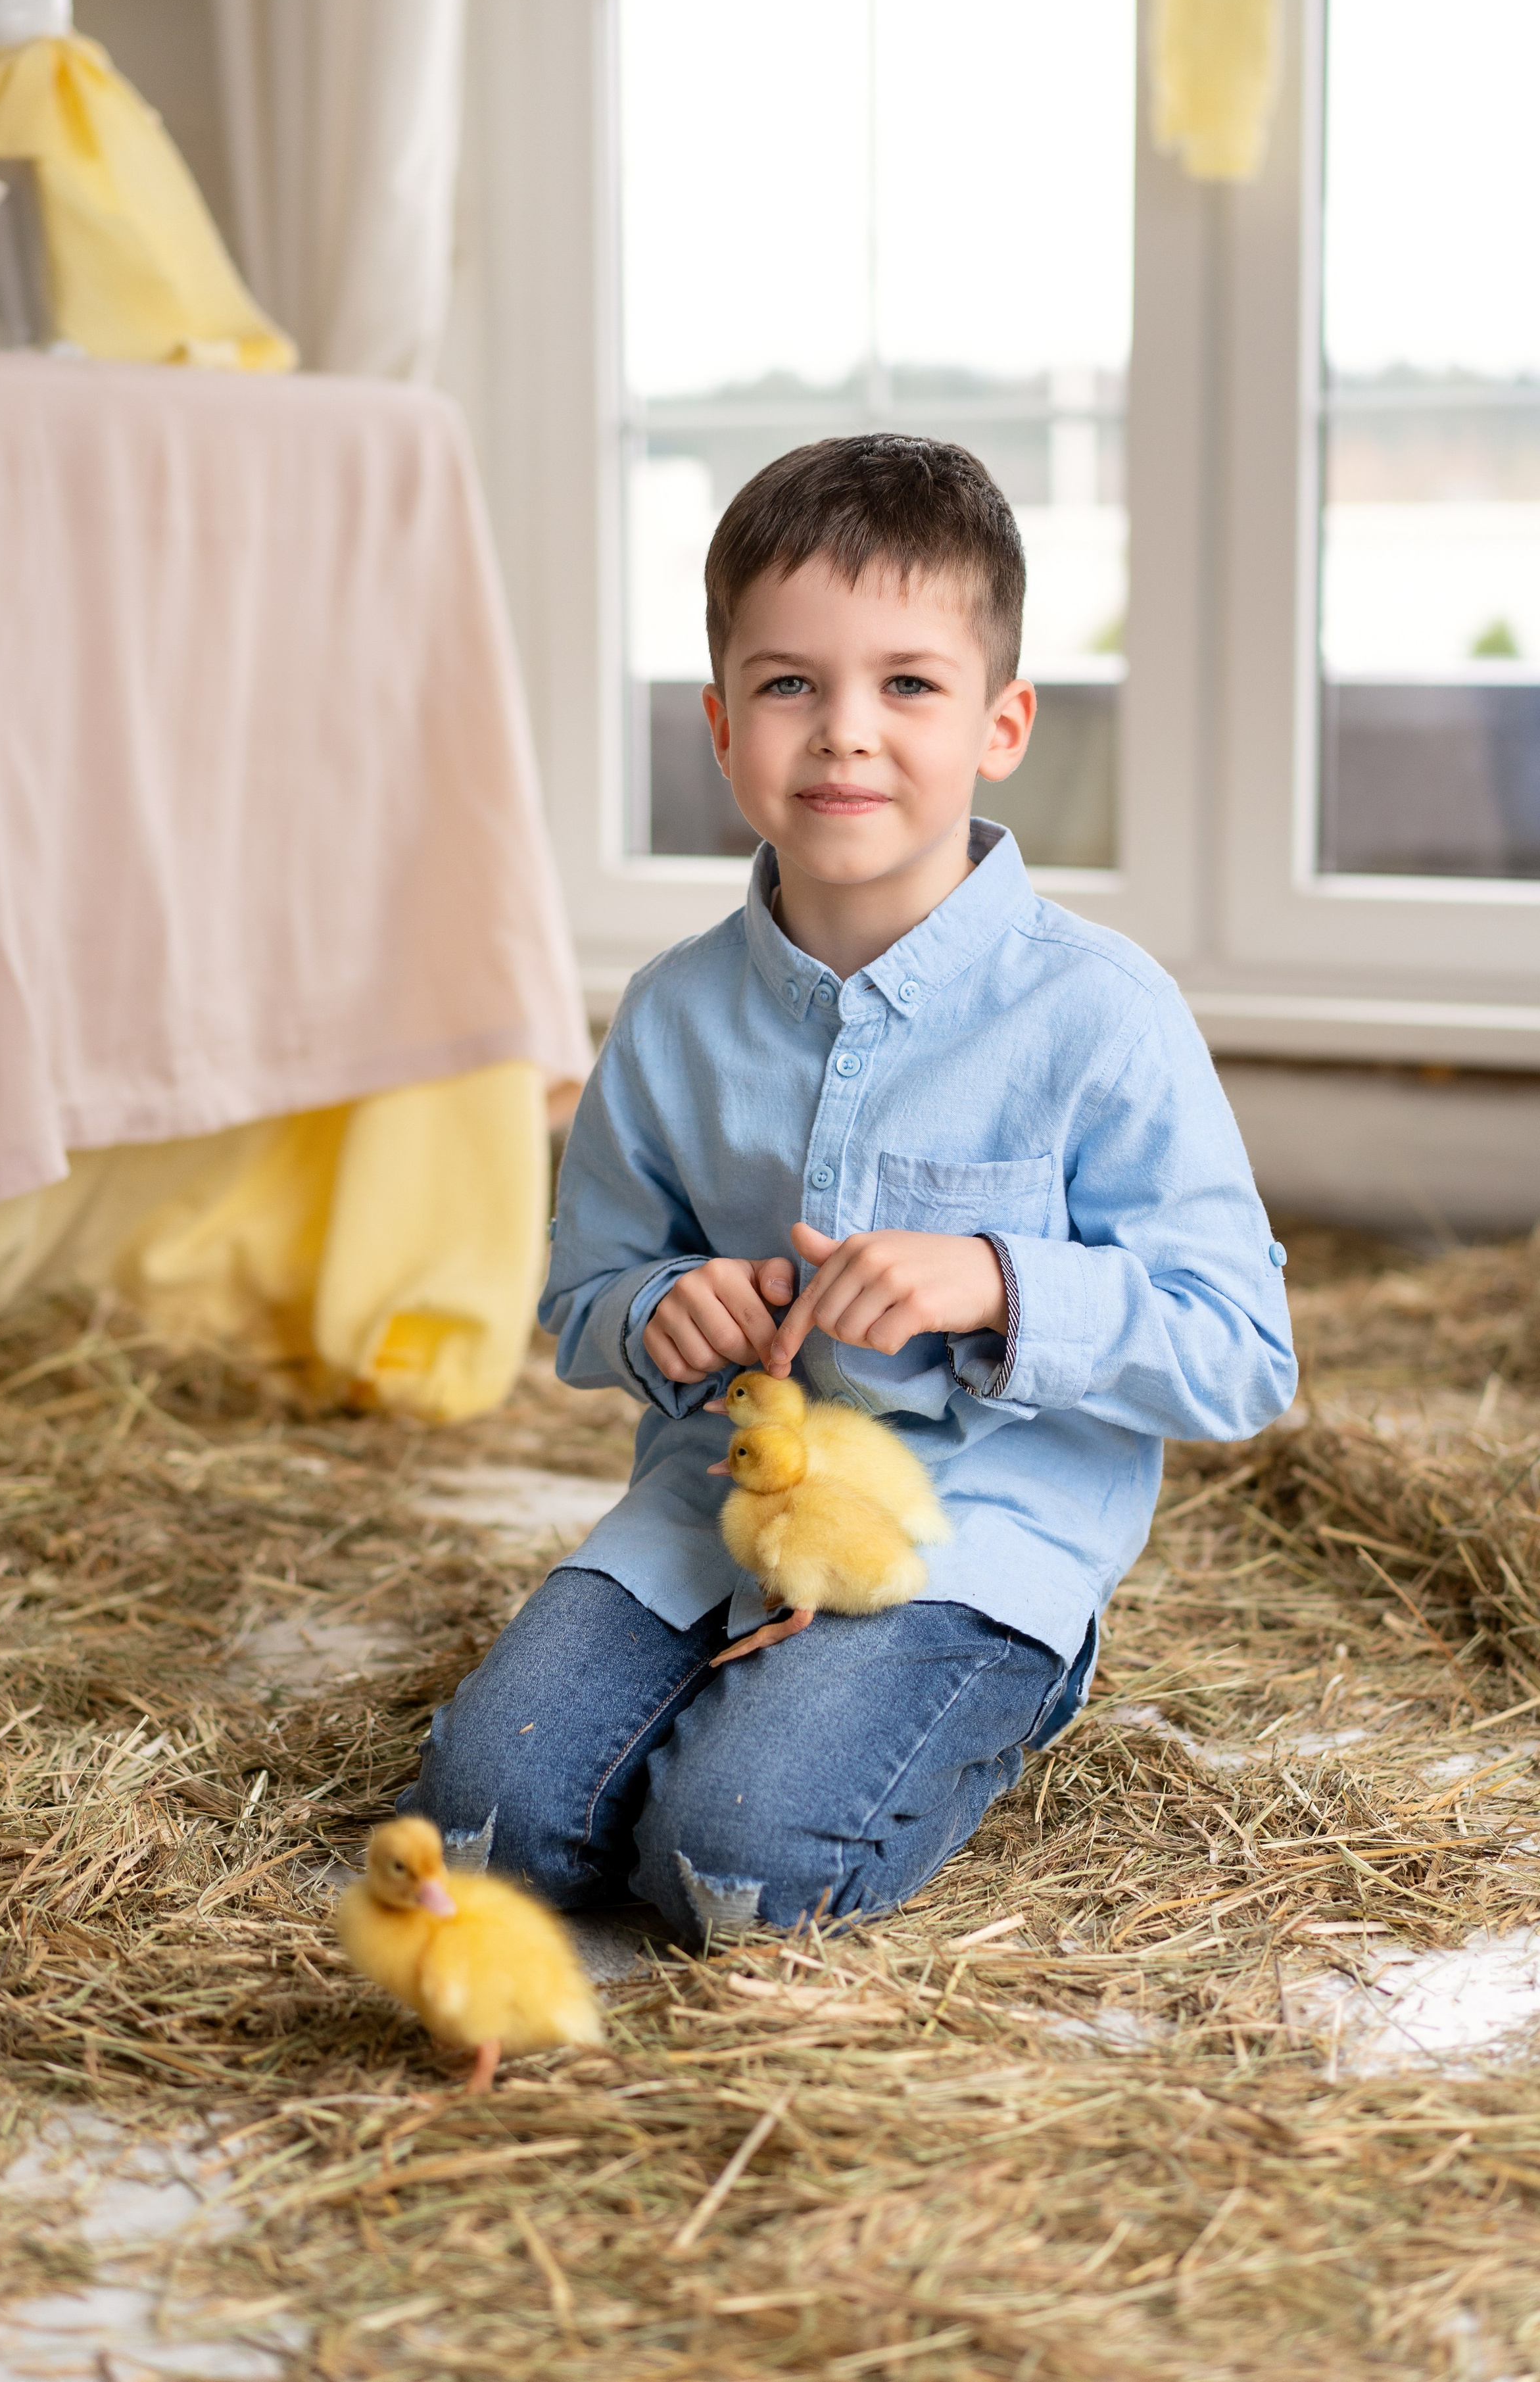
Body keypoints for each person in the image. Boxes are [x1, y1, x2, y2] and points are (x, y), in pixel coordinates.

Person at [404, 435, 1296, 1939]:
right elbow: (579, 1301)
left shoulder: (1098, 1012)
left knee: (739, 1872)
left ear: (1000, 722)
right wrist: (658, 1308)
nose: (842, 735)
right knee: (482, 1831)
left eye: (906, 684)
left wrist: (998, 1282)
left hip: (971, 1535)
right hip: (715, 1511)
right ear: (718, 723)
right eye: (787, 684)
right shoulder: (673, 1013)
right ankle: (733, 1723)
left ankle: (971, 1696)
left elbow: (1240, 1350)